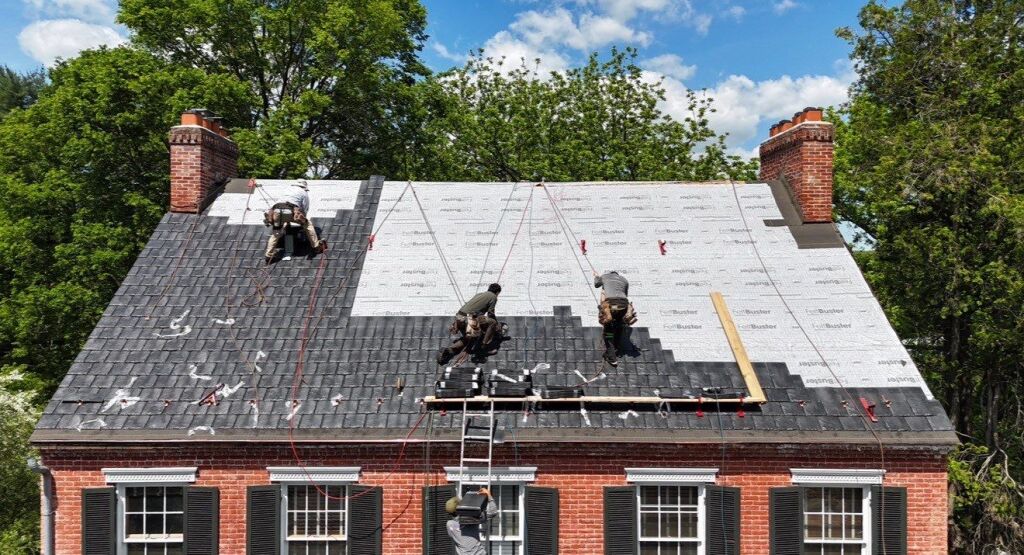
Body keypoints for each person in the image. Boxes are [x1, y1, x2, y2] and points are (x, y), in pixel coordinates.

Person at [438, 283, 502, 365]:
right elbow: (491, 314)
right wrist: (497, 325)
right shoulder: (493, 297)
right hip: (469, 318)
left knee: (468, 339)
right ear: (497, 292)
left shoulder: (479, 294)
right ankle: (483, 348)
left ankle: (448, 351)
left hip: (459, 317)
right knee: (492, 323)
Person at [264, 179, 326, 263]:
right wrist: (303, 220)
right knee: (308, 225)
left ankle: (269, 255)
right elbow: (305, 209)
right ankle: (316, 246)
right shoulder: (303, 192)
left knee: (276, 233)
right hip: (290, 211)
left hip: (276, 211)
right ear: (304, 187)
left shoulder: (287, 189)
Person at [445, 488, 499, 555]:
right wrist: (488, 495)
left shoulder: (449, 524)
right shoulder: (472, 518)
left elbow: (454, 533)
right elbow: (493, 512)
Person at [594, 270, 631, 366]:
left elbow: (596, 284)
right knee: (619, 324)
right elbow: (625, 295)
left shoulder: (605, 276)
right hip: (623, 306)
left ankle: (612, 357)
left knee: (608, 331)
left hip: (612, 306)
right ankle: (616, 346)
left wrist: (596, 277)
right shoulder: (624, 280)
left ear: (610, 274)